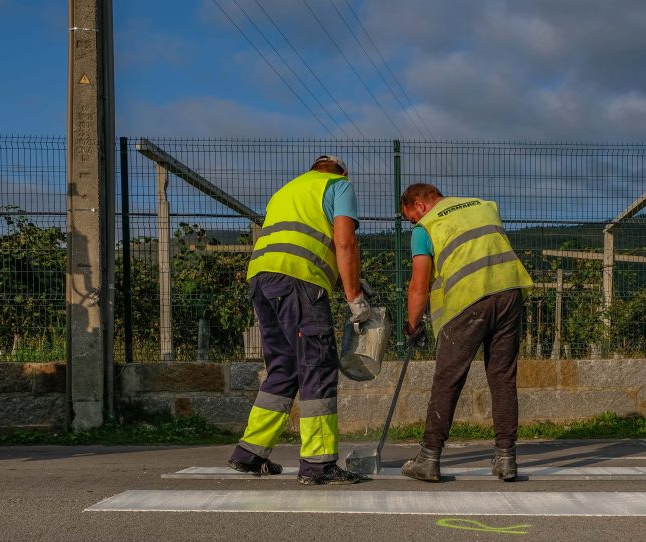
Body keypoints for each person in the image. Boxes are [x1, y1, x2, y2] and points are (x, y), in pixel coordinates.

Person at [227, 155, 371, 485]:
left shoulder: (286, 191)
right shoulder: (339, 185)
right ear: (342, 171)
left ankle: (250, 453)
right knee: (317, 365)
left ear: (312, 169)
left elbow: (304, 242)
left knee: (284, 367)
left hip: (262, 280)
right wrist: (355, 299)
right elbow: (344, 242)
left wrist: (344, 279)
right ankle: (319, 465)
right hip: (299, 281)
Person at [398, 183, 533, 482]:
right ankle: (506, 459)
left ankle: (429, 458)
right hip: (509, 292)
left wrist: (412, 325)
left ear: (419, 206)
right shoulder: (482, 204)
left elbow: (418, 285)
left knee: (448, 378)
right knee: (502, 377)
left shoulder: (426, 228)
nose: (413, 224)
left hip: (470, 298)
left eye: (411, 218)